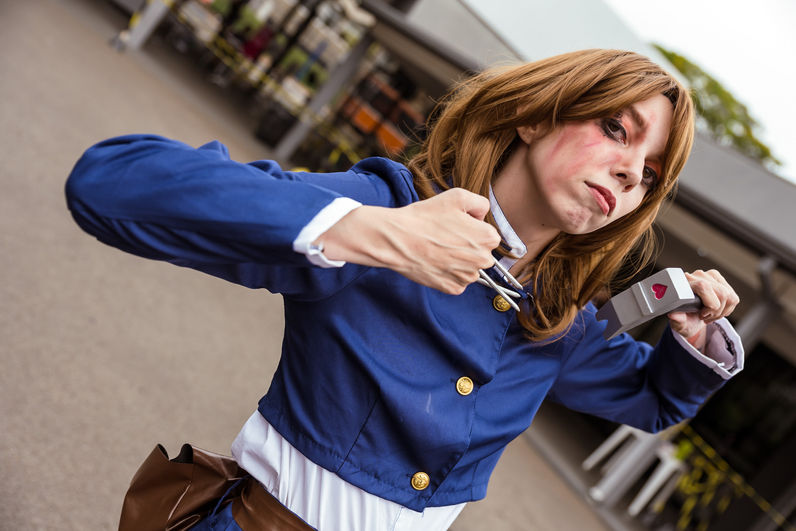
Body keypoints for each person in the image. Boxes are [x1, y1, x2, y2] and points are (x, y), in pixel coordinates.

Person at [65, 49, 742, 530]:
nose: (629, 172)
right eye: (615, 129)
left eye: (650, 174)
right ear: (534, 116)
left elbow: (652, 398)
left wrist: (694, 336)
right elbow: (110, 184)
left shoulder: (559, 316)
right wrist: (369, 232)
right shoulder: (389, 206)